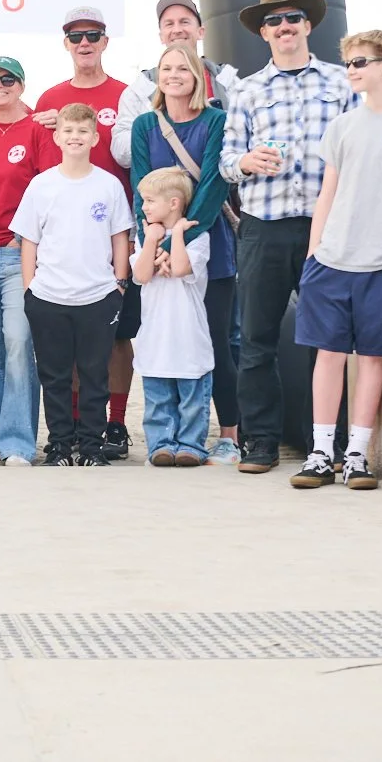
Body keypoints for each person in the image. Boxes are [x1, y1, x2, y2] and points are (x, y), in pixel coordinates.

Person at [287, 30, 382, 491]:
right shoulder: (342, 126)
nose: (350, 70)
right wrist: (313, 254)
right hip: (330, 261)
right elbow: (327, 194)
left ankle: (356, 456)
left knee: (373, 359)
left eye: (360, 62)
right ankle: (320, 454)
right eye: (348, 62)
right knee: (328, 356)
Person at [222, 0, 356, 474]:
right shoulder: (247, 90)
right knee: (256, 339)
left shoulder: (342, 83)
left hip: (328, 226)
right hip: (264, 225)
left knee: (330, 340)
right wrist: (246, 161)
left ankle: (327, 443)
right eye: (274, 21)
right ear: (263, 32)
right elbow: (227, 160)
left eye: (293, 18)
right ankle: (260, 442)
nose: (284, 27)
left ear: (308, 24)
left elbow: (361, 150)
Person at [126, 45, 239, 464]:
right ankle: (166, 437)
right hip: (155, 243)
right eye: (166, 68)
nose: (173, 75)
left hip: (207, 242)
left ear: (197, 76)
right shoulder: (145, 125)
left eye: (182, 68)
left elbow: (212, 183)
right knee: (164, 340)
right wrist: (153, 241)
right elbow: (141, 185)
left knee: (216, 341)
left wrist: (181, 239)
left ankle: (229, 434)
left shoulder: (216, 121)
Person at [33, 7, 138, 456]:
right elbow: (42, 170)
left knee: (117, 340)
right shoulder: (50, 99)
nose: (84, 43)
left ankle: (115, 423)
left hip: (115, 233)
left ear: (105, 41)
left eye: (93, 35)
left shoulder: (126, 94)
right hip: (65, 242)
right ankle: (75, 425)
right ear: (66, 44)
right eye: (76, 37)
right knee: (69, 345)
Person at [13, 103, 131, 465]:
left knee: (95, 376)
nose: (75, 137)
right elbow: (29, 240)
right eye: (68, 130)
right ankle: (60, 446)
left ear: (95, 138)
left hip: (98, 296)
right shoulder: (42, 185)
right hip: (48, 296)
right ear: (57, 137)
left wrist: (119, 283)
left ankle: (92, 447)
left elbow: (120, 236)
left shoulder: (108, 185)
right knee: (55, 377)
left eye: (82, 131)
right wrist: (29, 289)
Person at [0, 55, 56, 466]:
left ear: (21, 85)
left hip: (16, 254)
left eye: (7, 80)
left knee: (19, 344)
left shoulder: (37, 128)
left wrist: (33, 246)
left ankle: (19, 443)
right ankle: (2, 434)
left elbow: (49, 192)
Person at [131, 166, 214, 466]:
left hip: (188, 333)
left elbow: (180, 268)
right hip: (156, 335)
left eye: (150, 201)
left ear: (174, 203)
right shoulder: (145, 236)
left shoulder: (197, 236)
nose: (144, 207)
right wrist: (151, 240)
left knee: (192, 396)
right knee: (158, 396)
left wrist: (176, 234)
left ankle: (191, 445)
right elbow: (141, 275)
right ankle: (161, 445)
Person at [111, 0, 241, 168]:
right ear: (161, 35)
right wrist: (164, 136)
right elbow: (120, 152)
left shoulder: (229, 83)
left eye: (184, 22)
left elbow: (245, 136)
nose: (177, 30)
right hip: (163, 184)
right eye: (169, 24)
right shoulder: (139, 90)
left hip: (218, 182)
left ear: (201, 31)